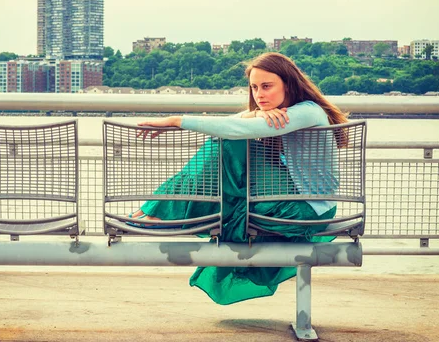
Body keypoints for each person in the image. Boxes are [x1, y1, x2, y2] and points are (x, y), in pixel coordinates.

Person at [132, 52, 348, 305]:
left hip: (305, 211)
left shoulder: (307, 112)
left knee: (226, 145)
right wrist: (254, 114)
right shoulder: (286, 112)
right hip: (294, 200)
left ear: (288, 84)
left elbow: (237, 129)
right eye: (254, 87)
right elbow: (236, 122)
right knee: (228, 145)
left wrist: (176, 121)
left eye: (267, 86)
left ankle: (164, 210)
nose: (259, 94)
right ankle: (167, 209)